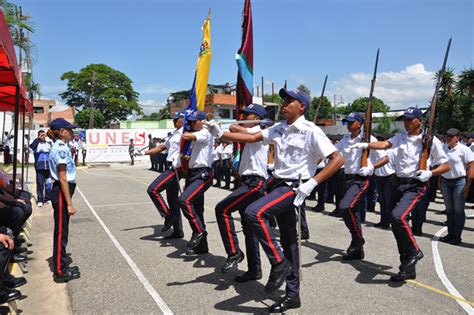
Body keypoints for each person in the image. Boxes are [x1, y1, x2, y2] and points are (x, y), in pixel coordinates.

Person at [210, 89, 343, 312]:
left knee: (254, 213)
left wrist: (312, 183)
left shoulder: (311, 131)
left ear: (302, 106)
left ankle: (279, 264)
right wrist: (220, 134)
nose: (284, 104)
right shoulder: (279, 128)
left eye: (289, 101)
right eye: (284, 101)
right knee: (291, 240)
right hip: (278, 184)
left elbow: (337, 159)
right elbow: (251, 137)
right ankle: (292, 294)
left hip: (295, 186)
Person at [352, 107, 449, 282]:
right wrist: (367, 145)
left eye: (410, 119)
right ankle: (407, 266)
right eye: (405, 119)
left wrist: (431, 173)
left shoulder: (428, 140)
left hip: (415, 185)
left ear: (419, 120)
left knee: (398, 217)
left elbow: (446, 165)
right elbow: (385, 145)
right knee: (395, 223)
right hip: (398, 183)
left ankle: (414, 251)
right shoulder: (401, 137)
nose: (406, 122)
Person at [214, 104, 268, 281]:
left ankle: (234, 252)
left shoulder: (259, 131)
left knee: (222, 209)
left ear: (257, 118)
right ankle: (254, 270)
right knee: (249, 230)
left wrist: (221, 131)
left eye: (247, 115)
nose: (243, 117)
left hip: (254, 182)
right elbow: (235, 129)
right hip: (246, 181)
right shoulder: (249, 132)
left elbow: (236, 129)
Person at [335, 112, 380, 260]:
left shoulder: (369, 140)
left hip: (360, 179)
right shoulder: (346, 139)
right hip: (347, 179)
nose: (348, 124)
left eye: (351, 122)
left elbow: (385, 157)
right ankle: (357, 249)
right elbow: (334, 151)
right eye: (347, 122)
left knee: (345, 207)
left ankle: (357, 239)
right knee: (353, 212)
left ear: (360, 124)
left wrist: (371, 167)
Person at [48, 118, 81, 282]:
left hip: (62, 191)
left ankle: (62, 265)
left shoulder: (63, 146)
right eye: (69, 129)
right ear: (61, 131)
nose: (72, 132)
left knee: (63, 231)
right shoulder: (60, 148)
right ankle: (60, 271)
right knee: (61, 232)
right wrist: (69, 204)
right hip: (61, 193)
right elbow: (62, 177)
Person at [144, 110, 185, 239]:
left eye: (176, 119)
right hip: (169, 166)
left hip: (175, 168)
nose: (174, 121)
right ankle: (178, 231)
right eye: (173, 119)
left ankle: (168, 216)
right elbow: (162, 148)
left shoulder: (186, 133)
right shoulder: (174, 134)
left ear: (183, 120)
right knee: (173, 201)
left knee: (153, 189)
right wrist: (145, 153)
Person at [178, 111, 214, 255]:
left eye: (193, 122)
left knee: (184, 200)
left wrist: (184, 127)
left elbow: (186, 136)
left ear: (202, 121)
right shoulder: (198, 133)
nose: (191, 125)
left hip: (202, 174)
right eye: (190, 122)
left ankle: (199, 231)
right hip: (193, 174)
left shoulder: (205, 132)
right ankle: (202, 245)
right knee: (197, 210)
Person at [439, 128, 473, 245]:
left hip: (459, 181)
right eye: (447, 136)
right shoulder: (443, 148)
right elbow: (441, 165)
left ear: (457, 137)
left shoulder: (464, 149)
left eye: (451, 136)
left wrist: (468, 184)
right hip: (445, 181)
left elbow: (471, 166)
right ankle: (450, 233)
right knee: (449, 210)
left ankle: (457, 236)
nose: (448, 138)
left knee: (458, 210)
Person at [29, 130, 53, 207]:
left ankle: (48, 198)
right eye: (42, 135)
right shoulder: (36, 144)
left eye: (44, 135)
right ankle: (40, 200)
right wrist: (37, 139)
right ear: (38, 136)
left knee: (48, 184)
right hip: (40, 168)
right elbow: (30, 148)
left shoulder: (49, 144)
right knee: (40, 184)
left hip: (48, 168)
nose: (44, 136)